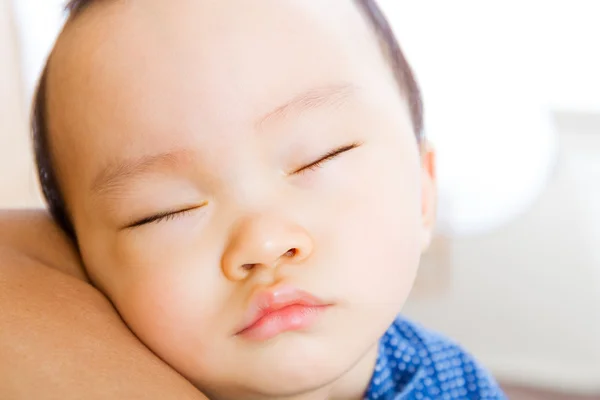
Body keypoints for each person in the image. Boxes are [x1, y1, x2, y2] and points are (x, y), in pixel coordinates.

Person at [1, 1, 506, 399]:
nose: (263, 241)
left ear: (422, 190)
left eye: (319, 158)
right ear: (84, 267)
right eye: (163, 211)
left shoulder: (456, 383)